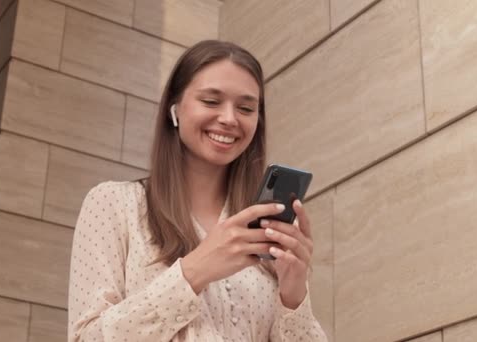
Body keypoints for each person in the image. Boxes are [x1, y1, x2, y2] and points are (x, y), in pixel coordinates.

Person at [68, 40, 327, 341]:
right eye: (211, 101)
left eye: (246, 108)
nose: (230, 119)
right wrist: (194, 272)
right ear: (174, 108)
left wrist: (294, 296)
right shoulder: (114, 204)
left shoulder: (264, 232)